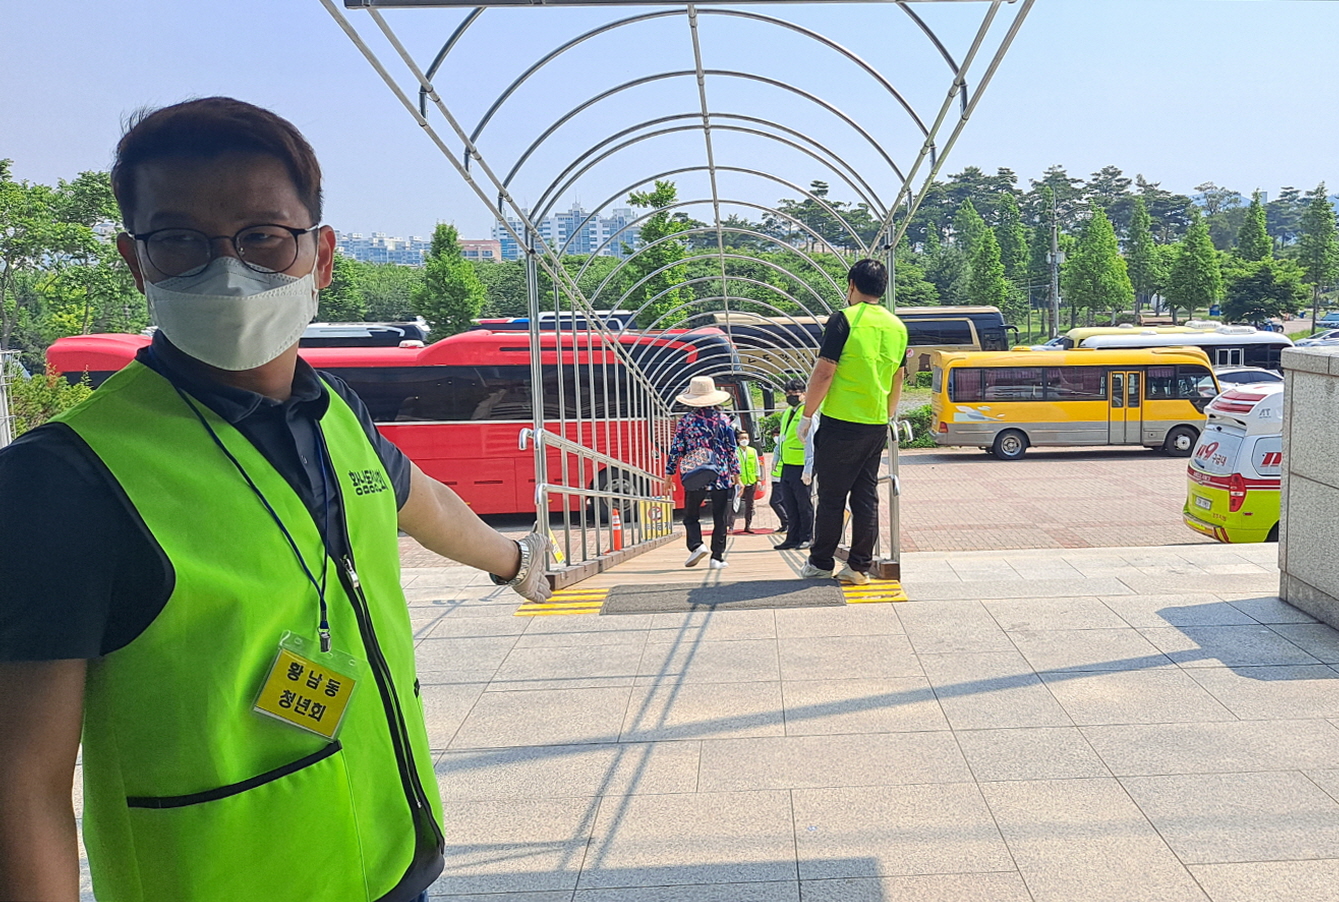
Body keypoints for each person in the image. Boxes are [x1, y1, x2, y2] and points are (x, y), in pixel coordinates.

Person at [0, 98, 552, 902]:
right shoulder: (64, 481)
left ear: (321, 256)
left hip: (394, 856)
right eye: (181, 240)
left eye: (263, 236)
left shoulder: (337, 416)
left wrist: (513, 563)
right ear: (135, 261)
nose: (228, 270)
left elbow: (420, 501)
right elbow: (22, 785)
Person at [797, 259, 908, 585]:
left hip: (841, 422)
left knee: (831, 496)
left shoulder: (843, 320)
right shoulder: (897, 327)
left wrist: (806, 415)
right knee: (865, 496)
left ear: (851, 285)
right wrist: (887, 415)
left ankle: (820, 563)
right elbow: (899, 377)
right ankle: (858, 567)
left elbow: (825, 371)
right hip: (875, 423)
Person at [665, 376, 740, 569]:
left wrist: (669, 474)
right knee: (720, 516)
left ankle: (696, 544)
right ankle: (717, 557)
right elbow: (732, 448)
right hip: (720, 473)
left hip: (695, 473)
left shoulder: (685, 422)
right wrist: (736, 473)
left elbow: (676, 449)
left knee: (691, 514)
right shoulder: (724, 421)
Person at [773, 377, 815, 551]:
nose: (791, 397)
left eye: (795, 394)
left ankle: (806, 537)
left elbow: (812, 441)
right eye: (788, 394)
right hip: (787, 465)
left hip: (801, 465)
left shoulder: (808, 413)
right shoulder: (787, 413)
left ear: (804, 395)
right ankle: (792, 537)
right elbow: (782, 438)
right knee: (790, 504)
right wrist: (776, 457)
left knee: (803, 504)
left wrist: (809, 468)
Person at [730, 429, 762, 533]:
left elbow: (756, 465)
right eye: (742, 438)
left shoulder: (753, 451)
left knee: (750, 505)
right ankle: (730, 526)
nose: (744, 440)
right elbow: (732, 466)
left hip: (751, 481)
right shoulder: (735, 451)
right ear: (738, 440)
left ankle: (747, 526)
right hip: (739, 482)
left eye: (746, 438)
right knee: (735, 504)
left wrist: (758, 479)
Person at [767, 436, 788, 534]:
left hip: (781, 479)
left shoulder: (784, 448)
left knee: (775, 502)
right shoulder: (778, 448)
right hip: (776, 479)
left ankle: (786, 522)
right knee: (782, 502)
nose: (775, 437)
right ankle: (785, 524)